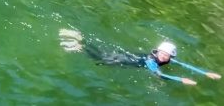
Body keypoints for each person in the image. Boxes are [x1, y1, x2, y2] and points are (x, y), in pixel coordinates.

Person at [59, 29, 221, 85]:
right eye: (163, 54)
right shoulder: (152, 62)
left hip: (134, 56)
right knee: (101, 59)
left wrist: (206, 73)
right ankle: (79, 45)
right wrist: (181, 80)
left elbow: (187, 66)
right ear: (158, 52)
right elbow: (160, 75)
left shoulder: (168, 58)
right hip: (129, 61)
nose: (165, 57)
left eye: (167, 55)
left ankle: (80, 41)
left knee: (103, 55)